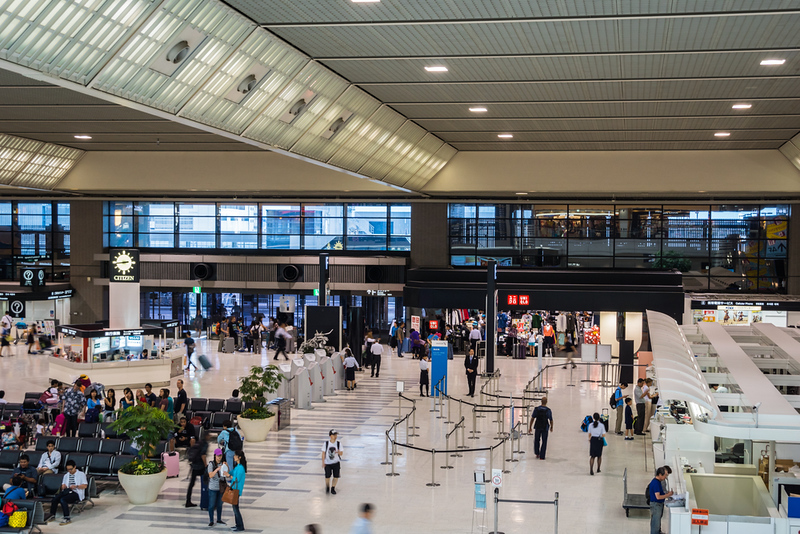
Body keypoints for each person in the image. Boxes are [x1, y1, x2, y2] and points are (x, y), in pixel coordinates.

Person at [46, 459, 87, 526]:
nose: (69, 471)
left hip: (76, 492)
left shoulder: (81, 474)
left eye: (71, 469)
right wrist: (63, 486)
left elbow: (85, 486)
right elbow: (63, 485)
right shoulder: (66, 475)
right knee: (55, 499)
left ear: (75, 467)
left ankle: (67, 518)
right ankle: (52, 515)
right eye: (68, 469)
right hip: (67, 491)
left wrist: (76, 486)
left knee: (63, 500)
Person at [207, 448, 229, 527]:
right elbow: (210, 475)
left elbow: (226, 474)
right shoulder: (211, 464)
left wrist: (226, 467)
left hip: (221, 488)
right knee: (212, 505)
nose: (219, 457)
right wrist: (216, 470)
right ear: (215, 456)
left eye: (220, 456)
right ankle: (211, 520)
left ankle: (219, 519)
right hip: (213, 488)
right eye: (218, 456)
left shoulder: (223, 464)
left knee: (220, 504)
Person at [649, 467, 674, 534]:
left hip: (658, 505)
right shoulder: (656, 483)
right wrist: (668, 495)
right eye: (665, 475)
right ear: (660, 474)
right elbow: (658, 497)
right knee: (655, 524)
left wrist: (667, 493)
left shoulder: (658, 482)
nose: (665, 477)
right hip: (656, 505)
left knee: (657, 522)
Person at [185, 436, 208, 508]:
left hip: (194, 465)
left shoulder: (198, 443)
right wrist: (206, 465)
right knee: (206, 482)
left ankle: (188, 501)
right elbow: (203, 455)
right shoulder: (205, 444)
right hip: (200, 466)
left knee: (191, 484)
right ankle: (206, 501)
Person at [229, 450, 247, 532]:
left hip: (236, 490)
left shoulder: (240, 468)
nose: (234, 457)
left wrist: (229, 475)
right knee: (235, 508)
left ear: (239, 457)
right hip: (235, 489)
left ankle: (240, 526)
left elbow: (237, 479)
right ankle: (238, 524)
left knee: (236, 509)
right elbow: (233, 473)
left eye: (235, 455)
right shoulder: (237, 466)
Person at [322, 429, 343, 495]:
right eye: (334, 435)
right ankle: (327, 486)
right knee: (327, 476)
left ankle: (333, 488)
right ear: (330, 436)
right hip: (327, 463)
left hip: (336, 462)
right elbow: (323, 453)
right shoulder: (326, 444)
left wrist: (339, 452)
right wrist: (323, 462)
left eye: (336, 435)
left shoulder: (339, 444)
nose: (335, 436)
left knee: (336, 476)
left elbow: (341, 453)